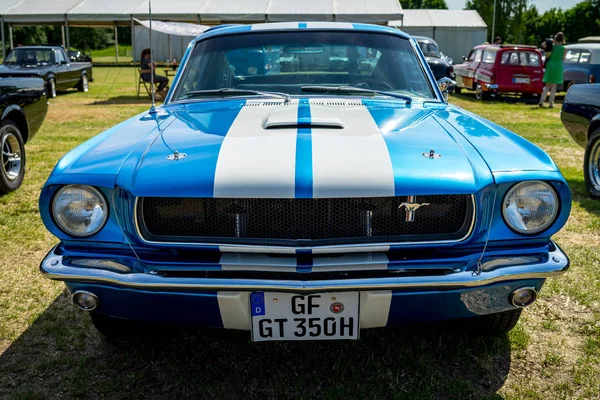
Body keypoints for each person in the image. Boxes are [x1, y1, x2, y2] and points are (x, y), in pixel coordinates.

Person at [539, 32, 565, 108]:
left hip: (550, 65)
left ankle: (541, 101)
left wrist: (550, 40)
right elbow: (563, 59)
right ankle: (551, 102)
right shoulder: (564, 48)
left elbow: (543, 45)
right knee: (554, 86)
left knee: (548, 85)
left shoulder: (551, 46)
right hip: (558, 66)